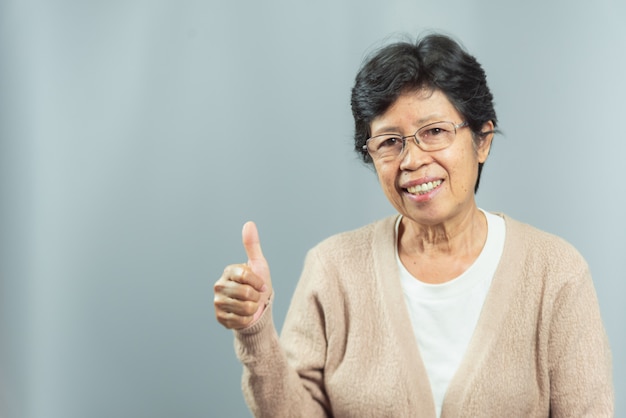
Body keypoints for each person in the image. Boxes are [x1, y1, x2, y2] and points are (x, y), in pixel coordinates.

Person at [213, 33, 614, 417]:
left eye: (434, 132)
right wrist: (255, 330)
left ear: (482, 140)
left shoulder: (555, 273)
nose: (412, 160)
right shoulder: (332, 269)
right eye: (389, 141)